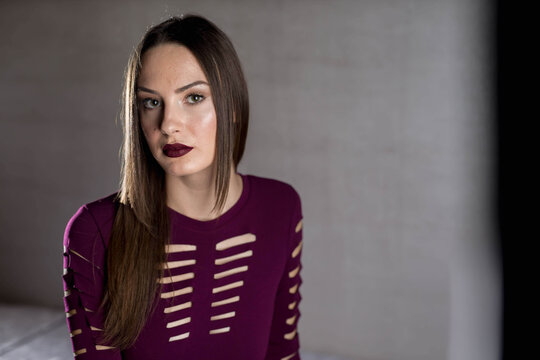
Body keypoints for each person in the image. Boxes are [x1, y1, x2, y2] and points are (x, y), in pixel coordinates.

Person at [62, 14, 304, 360]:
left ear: (232, 105)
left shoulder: (280, 208)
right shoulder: (96, 231)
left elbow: (282, 352)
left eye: (193, 98)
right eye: (152, 102)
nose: (169, 124)